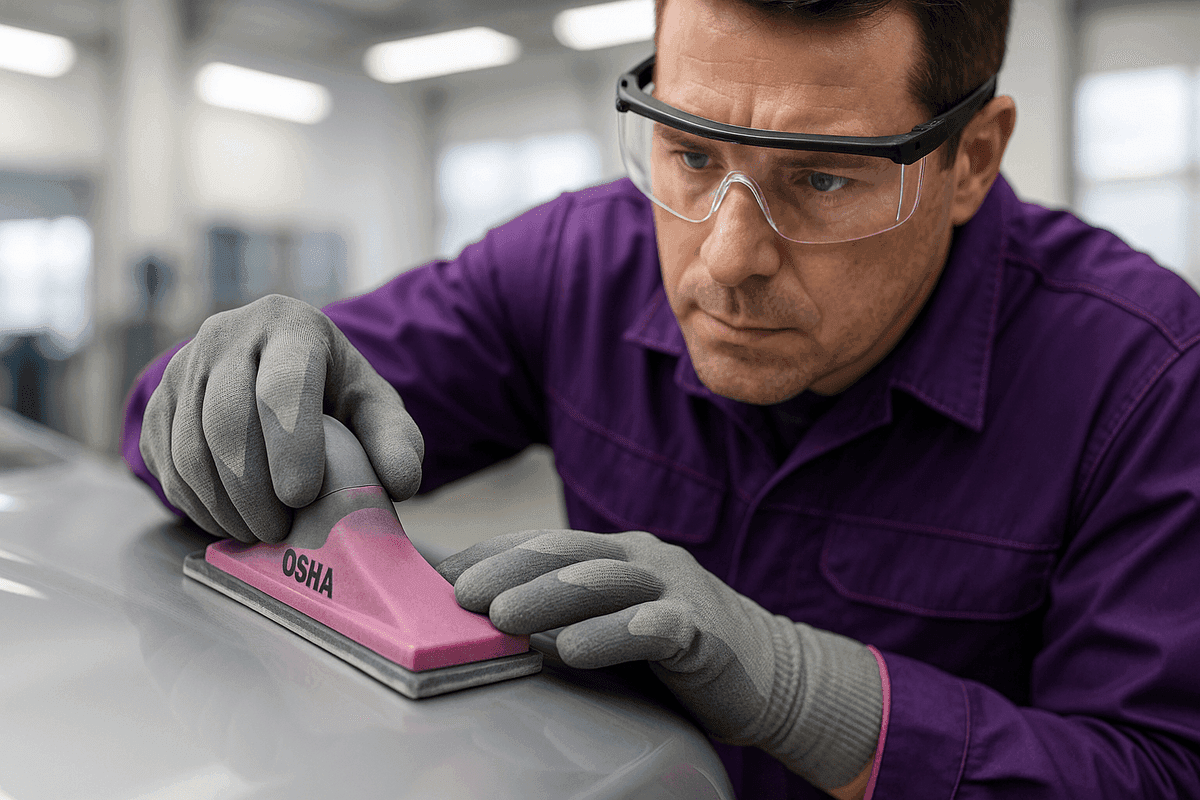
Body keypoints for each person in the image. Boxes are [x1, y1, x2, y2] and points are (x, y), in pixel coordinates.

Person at [122, 0, 1200, 797]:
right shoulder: (573, 263)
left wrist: (806, 691)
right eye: (688, 152)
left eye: (821, 180)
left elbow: (1160, 771)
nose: (726, 259)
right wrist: (229, 386)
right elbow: (173, 424)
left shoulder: (1146, 382)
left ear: (971, 157)